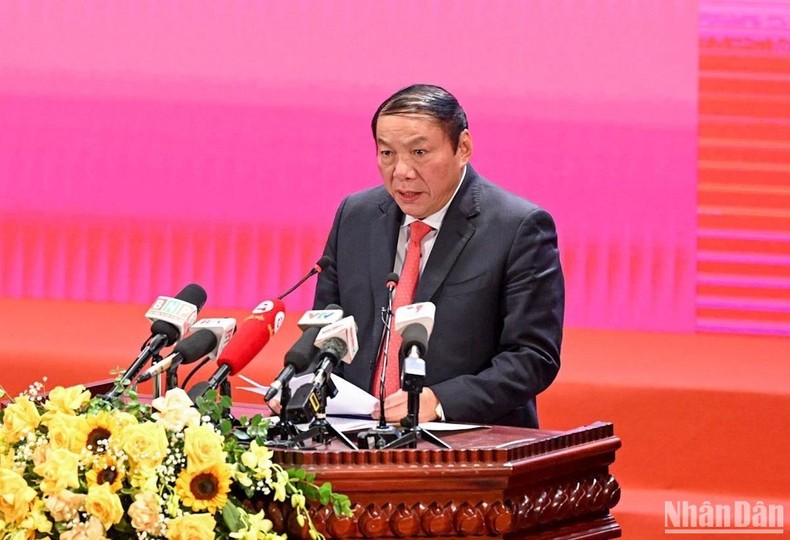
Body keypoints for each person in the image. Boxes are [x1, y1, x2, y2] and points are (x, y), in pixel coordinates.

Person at [313, 84, 564, 428]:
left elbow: (533, 357)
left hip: (469, 441)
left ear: (463, 147)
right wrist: (305, 385)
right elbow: (326, 329)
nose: (401, 171)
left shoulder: (518, 228)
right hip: (354, 435)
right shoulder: (355, 216)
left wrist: (441, 401)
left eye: (419, 152)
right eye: (387, 153)